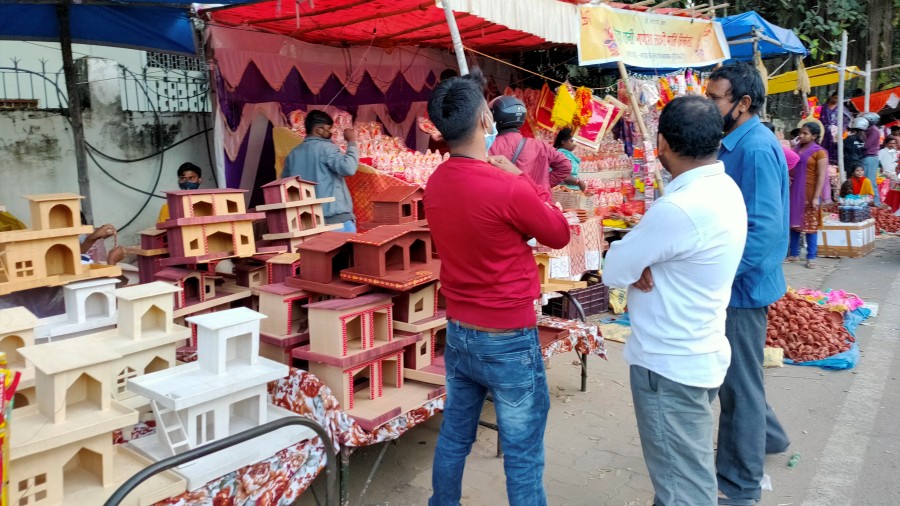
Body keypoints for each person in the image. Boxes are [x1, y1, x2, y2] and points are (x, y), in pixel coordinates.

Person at [423, 68, 570, 506]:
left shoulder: (435, 182)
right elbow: (558, 234)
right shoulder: (506, 185)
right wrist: (521, 179)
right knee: (523, 454)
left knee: (454, 438)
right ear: (485, 122)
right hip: (507, 334)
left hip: (461, 330)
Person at [604, 96, 747, 506]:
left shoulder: (679, 209)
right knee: (682, 474)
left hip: (670, 366)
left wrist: (635, 260)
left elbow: (615, 271)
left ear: (661, 143)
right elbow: (637, 264)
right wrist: (643, 262)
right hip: (696, 354)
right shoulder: (724, 189)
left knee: (684, 489)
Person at [705, 62, 791, 506]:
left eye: (715, 96)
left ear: (742, 103)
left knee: (738, 386)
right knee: (740, 378)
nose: (708, 103)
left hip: (741, 287)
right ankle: (770, 436)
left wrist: (716, 276)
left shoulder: (754, 149)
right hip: (738, 284)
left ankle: (740, 485)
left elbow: (762, 232)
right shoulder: (735, 142)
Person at [283, 110, 359, 232]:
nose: (332, 132)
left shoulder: (293, 154)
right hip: (335, 220)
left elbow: (285, 187)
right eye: (329, 128)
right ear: (318, 129)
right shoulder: (327, 148)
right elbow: (349, 168)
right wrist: (351, 142)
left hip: (307, 223)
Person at [488, 96, 572, 189]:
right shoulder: (541, 146)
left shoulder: (488, 146)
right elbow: (565, 166)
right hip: (535, 199)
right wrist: (543, 184)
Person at [786, 122, 828, 269]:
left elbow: (822, 175)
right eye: (800, 133)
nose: (801, 136)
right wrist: (792, 147)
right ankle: (794, 253)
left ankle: (811, 256)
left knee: (810, 226)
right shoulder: (797, 149)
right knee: (794, 224)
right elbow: (790, 165)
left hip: (810, 192)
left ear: (814, 136)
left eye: (805, 133)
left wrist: (816, 197)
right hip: (795, 191)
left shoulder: (820, 152)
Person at [818, 91, 852, 164]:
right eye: (835, 98)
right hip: (824, 133)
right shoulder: (823, 107)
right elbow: (817, 118)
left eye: (838, 98)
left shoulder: (842, 109)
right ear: (831, 97)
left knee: (835, 150)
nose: (836, 100)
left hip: (836, 134)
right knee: (823, 151)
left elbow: (847, 120)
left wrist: (841, 130)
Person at [863, 112, 883, 206]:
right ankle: (869, 202)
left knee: (871, 181)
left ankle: (876, 203)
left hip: (870, 157)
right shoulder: (867, 129)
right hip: (868, 157)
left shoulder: (874, 131)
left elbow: (867, 145)